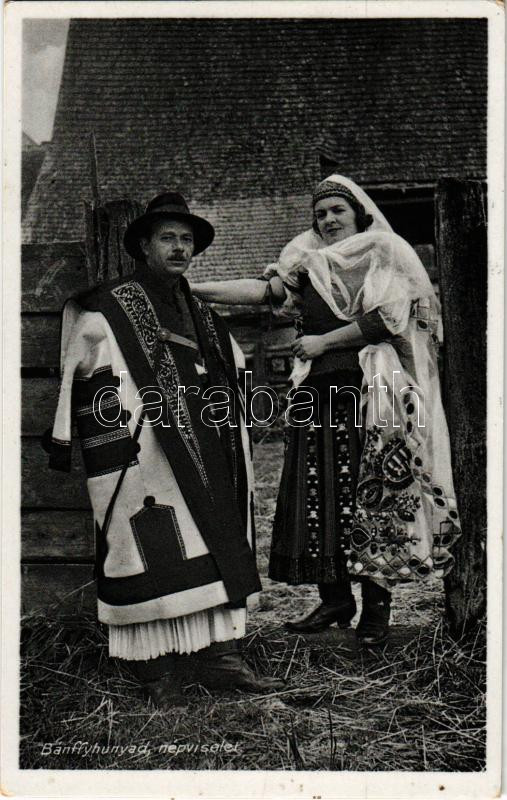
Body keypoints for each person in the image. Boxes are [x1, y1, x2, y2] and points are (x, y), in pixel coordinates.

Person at [191, 174, 461, 647]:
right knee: (317, 492)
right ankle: (335, 598)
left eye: (338, 210)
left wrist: (322, 342)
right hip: (316, 392)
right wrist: (193, 288)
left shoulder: (382, 251)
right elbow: (265, 292)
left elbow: (387, 318)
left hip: (368, 389)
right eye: (321, 214)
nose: (329, 220)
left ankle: (376, 606)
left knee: (371, 491)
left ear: (359, 213)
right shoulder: (308, 259)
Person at [44, 192, 284, 706]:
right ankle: (156, 667)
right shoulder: (110, 308)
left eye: (187, 240)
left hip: (207, 447)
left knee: (213, 543)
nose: (179, 248)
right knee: (151, 550)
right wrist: (89, 432)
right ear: (144, 246)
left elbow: (232, 366)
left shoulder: (202, 313)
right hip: (144, 451)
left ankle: (220, 656)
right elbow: (80, 367)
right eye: (168, 238)